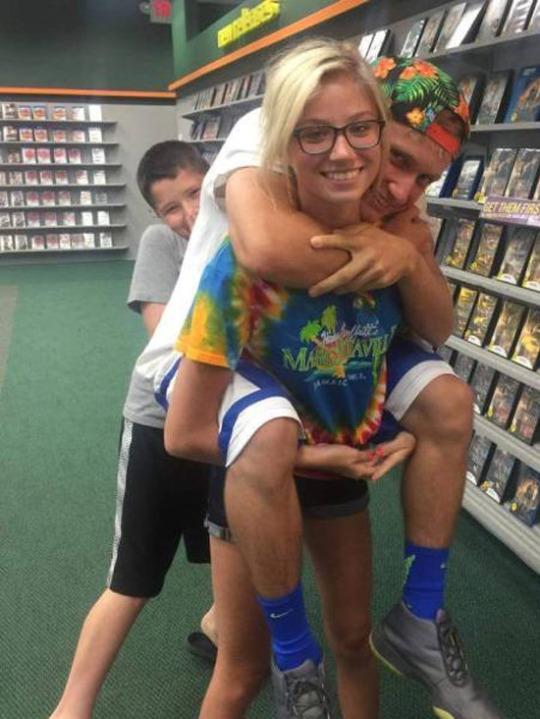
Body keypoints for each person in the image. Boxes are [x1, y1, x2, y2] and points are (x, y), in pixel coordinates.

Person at [162, 53, 501, 718]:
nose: (402, 189)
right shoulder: (261, 218)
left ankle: (419, 617)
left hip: (336, 435)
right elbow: (259, 251)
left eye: (423, 178)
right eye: (397, 159)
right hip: (254, 444)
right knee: (243, 663)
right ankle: (294, 665)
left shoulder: (402, 227)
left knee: (351, 638)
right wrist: (305, 453)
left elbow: (431, 330)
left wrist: (407, 254)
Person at [49, 141, 216, 719]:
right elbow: (165, 343)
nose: (189, 213)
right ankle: (72, 706)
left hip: (227, 429)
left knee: (234, 551)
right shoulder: (161, 244)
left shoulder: (246, 228)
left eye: (196, 193)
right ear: (156, 214)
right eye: (171, 207)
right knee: (133, 578)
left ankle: (223, 626)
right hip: (159, 426)